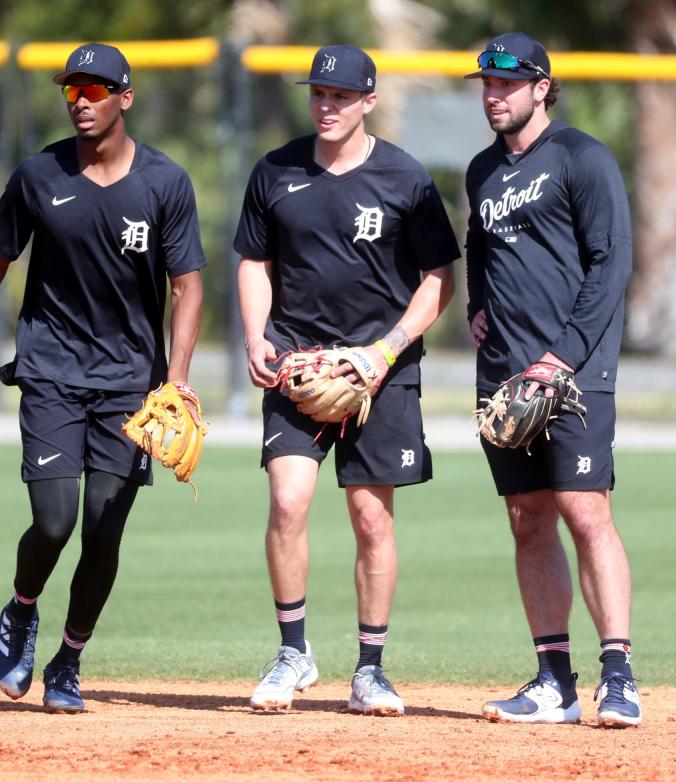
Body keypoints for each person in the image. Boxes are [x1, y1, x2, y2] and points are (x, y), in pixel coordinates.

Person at [0, 43, 206, 713]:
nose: (80, 100)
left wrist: (174, 381)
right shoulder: (39, 175)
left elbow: (188, 286)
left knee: (104, 529)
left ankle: (70, 658)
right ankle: (22, 609)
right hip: (52, 371)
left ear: (125, 97)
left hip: (129, 386)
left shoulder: (164, 183)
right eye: (71, 89)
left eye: (95, 89)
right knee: (55, 521)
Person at [234, 44, 459, 716]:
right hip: (298, 365)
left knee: (370, 517)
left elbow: (441, 277)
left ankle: (370, 667)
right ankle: (293, 652)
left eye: (340, 96)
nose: (326, 106)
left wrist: (384, 351)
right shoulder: (276, 171)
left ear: (368, 101)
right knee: (288, 502)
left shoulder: (405, 177)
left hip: (379, 372)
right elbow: (252, 261)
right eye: (318, 95)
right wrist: (256, 335)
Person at [463, 32, 640, 727]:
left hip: (575, 371)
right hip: (504, 374)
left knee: (585, 510)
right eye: (486, 84)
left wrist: (561, 357)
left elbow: (612, 264)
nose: (493, 95)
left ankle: (618, 675)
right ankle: (553, 681)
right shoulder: (482, 171)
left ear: (541, 87)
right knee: (526, 516)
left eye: (507, 83)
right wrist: (477, 306)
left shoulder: (582, 158)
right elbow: (477, 243)